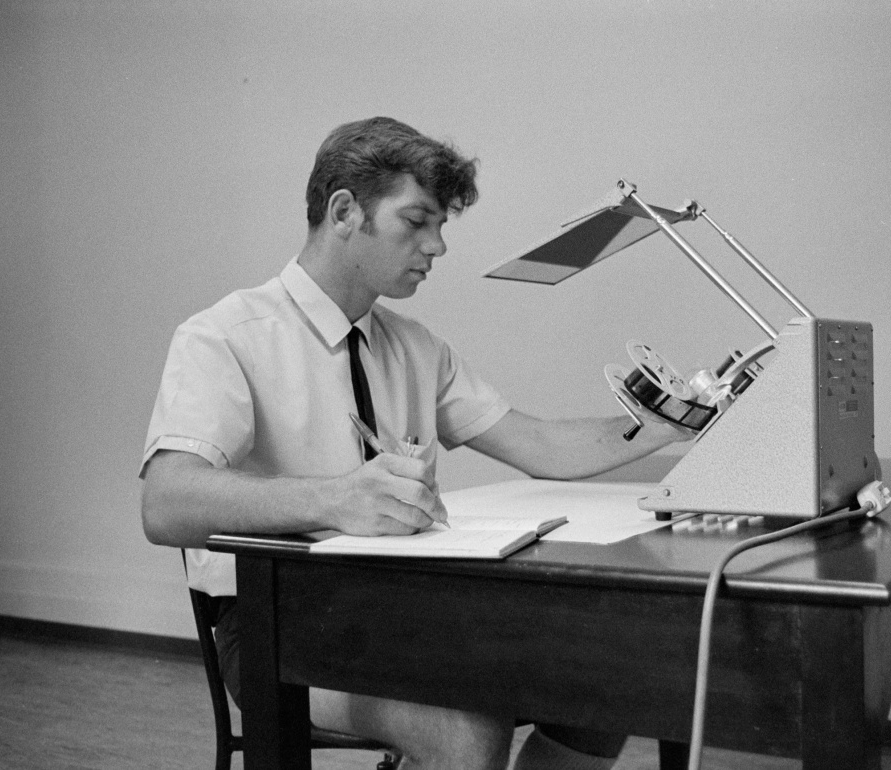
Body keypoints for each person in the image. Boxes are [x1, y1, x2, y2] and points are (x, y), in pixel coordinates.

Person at [140, 117, 683, 770]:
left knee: (616, 673)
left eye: (441, 226)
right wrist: (335, 500)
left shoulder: (415, 347)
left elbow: (539, 443)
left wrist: (664, 424)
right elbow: (166, 502)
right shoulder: (225, 336)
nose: (438, 246)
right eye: (417, 221)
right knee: (461, 726)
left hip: (409, 610)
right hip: (274, 626)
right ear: (345, 211)